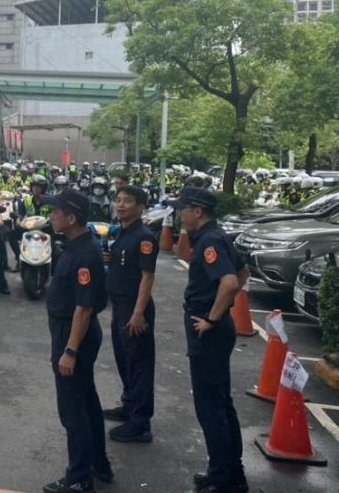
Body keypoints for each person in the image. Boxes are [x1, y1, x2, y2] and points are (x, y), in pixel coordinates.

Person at [168, 187, 249, 493]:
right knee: (221, 403)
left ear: (197, 211)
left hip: (209, 331)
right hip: (216, 329)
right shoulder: (214, 236)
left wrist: (212, 318)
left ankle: (223, 478)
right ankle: (230, 471)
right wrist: (222, 308)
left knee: (210, 407)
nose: (180, 214)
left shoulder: (211, 241)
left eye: (183, 209)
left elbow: (229, 282)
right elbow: (243, 272)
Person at [42, 189, 111, 493]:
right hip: (73, 332)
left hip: (73, 335)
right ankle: (98, 464)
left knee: (73, 410)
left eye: (56, 212)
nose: (51, 216)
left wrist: (69, 351)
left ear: (71, 218)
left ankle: (80, 478)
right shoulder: (76, 246)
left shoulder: (84, 253)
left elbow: (83, 308)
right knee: (87, 401)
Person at [102, 185, 158, 443]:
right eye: (119, 200)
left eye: (128, 201)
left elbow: (147, 277)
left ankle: (140, 422)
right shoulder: (123, 234)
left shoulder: (144, 237)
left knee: (138, 364)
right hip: (120, 306)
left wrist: (138, 314)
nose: (121, 205)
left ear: (141, 206)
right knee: (125, 361)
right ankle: (129, 405)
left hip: (135, 309)